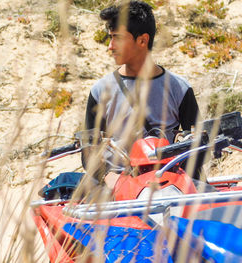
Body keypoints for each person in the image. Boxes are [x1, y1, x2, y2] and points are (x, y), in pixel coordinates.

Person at [84, 0, 201, 182]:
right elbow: (87, 152)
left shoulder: (179, 88)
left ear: (143, 40)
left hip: (168, 182)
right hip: (118, 187)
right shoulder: (100, 92)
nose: (111, 46)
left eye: (118, 38)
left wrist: (176, 173)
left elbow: (199, 148)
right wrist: (108, 177)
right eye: (110, 37)